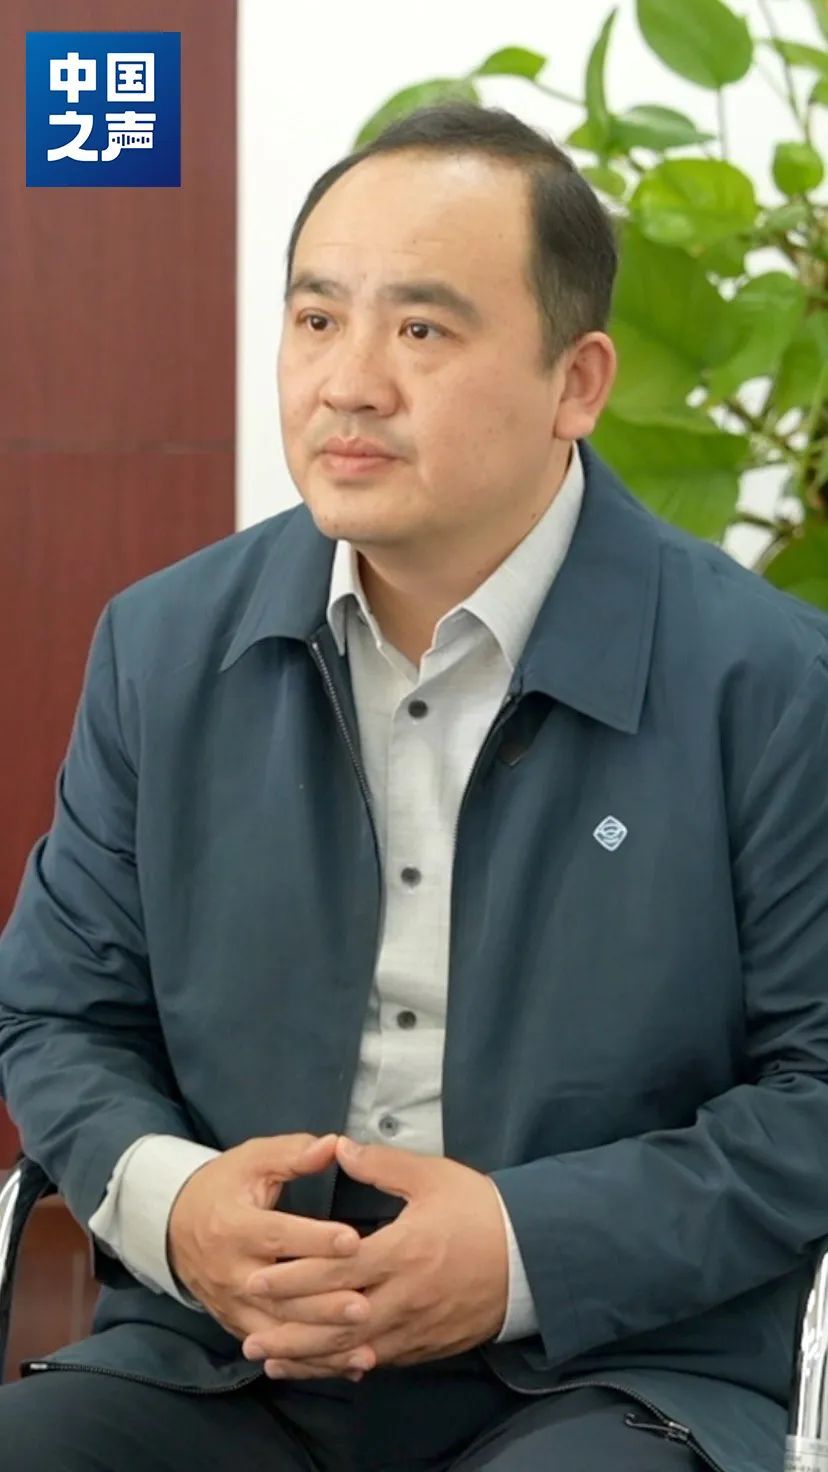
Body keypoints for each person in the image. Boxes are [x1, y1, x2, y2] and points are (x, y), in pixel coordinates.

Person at [1, 99, 827, 1472]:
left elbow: (816, 1090)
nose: (351, 383)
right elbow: (56, 1009)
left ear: (577, 382)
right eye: (317, 319)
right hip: (224, 1362)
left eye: (424, 331)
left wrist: (520, 1248)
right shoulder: (164, 646)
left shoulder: (775, 683)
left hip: (609, 1369)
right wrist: (182, 1206)